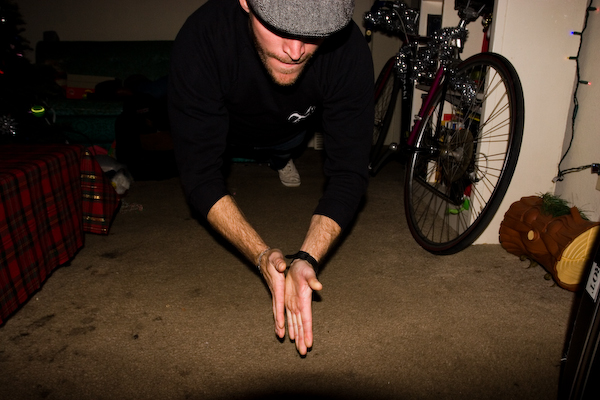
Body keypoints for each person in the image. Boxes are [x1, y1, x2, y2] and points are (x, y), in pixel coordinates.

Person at [168, 0, 374, 355]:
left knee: (285, 145)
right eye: (279, 27)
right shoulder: (202, 36)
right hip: (228, 128)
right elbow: (200, 174)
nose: (295, 51)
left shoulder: (348, 48)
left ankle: (280, 157)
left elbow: (349, 172)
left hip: (291, 129)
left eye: (312, 34)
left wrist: (306, 258)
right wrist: (262, 255)